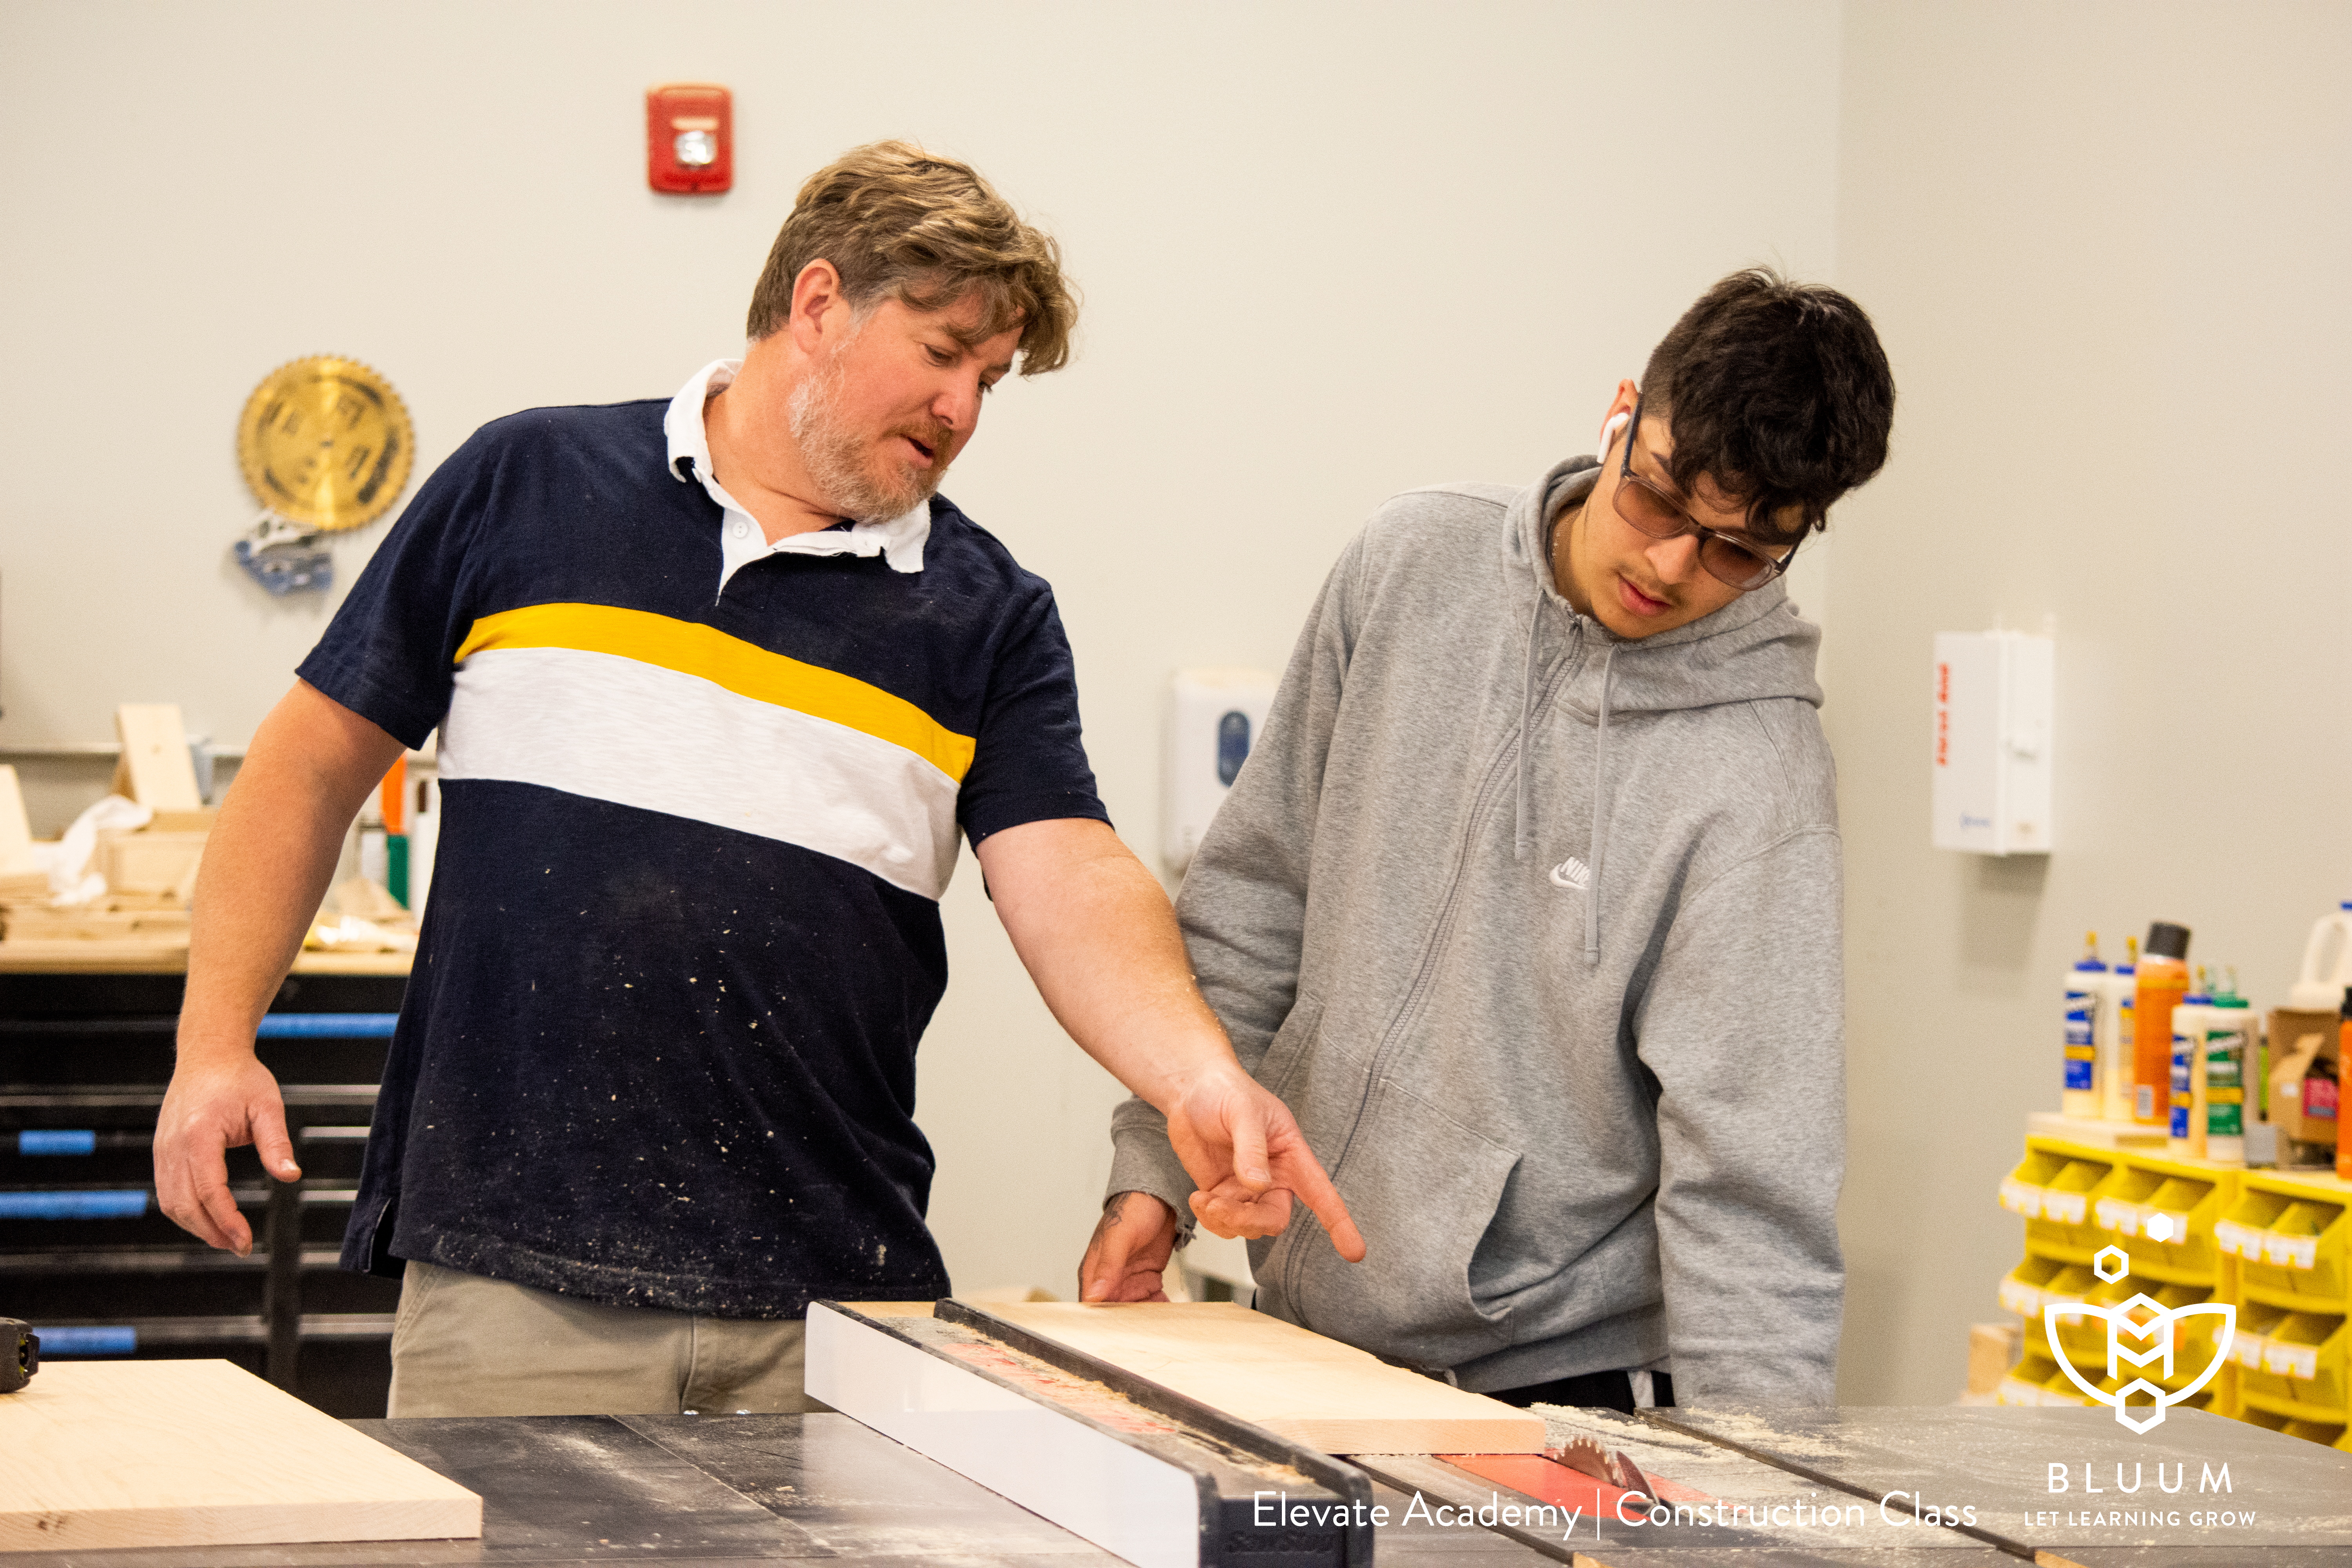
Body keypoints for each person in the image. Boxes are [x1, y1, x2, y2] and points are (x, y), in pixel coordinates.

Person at [154, 141, 1360, 1417]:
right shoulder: (527, 486)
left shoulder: (987, 615)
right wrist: (214, 1040)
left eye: (991, 380)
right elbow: (308, 765)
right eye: (944, 353)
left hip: (833, 1306)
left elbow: (1066, 872)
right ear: (820, 302)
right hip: (518, 1289)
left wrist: (1198, 1076)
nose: (964, 410)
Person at [1080, 269, 1895, 1412]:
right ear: (1622, 414)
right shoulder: (1412, 565)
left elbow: (1751, 1183)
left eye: (1737, 551)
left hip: (1555, 1393)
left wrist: (1757, 1506)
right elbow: (1253, 908)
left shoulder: (1757, 772)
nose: (1671, 567)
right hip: (1300, 1345)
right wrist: (1152, 1176)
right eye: (1660, 499)